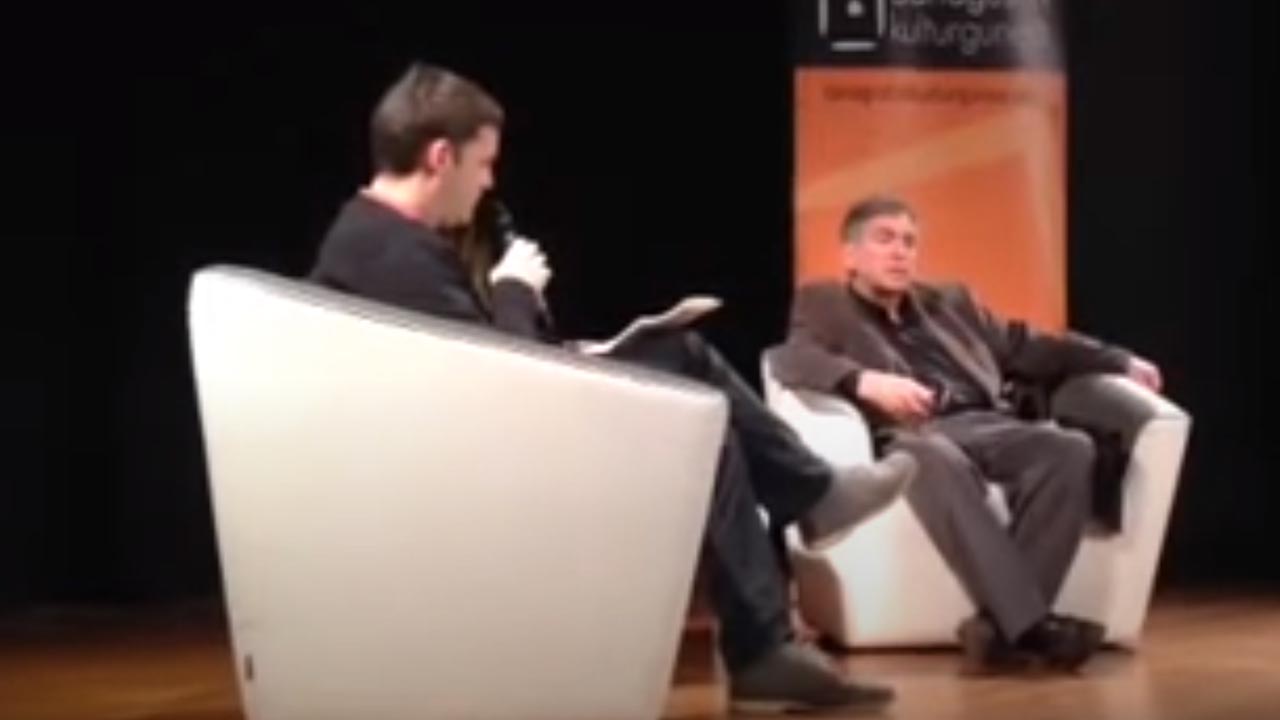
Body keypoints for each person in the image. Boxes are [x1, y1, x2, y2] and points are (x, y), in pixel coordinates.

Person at [306, 62, 917, 714]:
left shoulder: (374, 239)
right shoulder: (393, 253)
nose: (488, 183)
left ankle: (773, 621)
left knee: (694, 397)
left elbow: (477, 370)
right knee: (687, 376)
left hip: (473, 448)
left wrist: (568, 348)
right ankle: (801, 528)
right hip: (478, 470)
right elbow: (500, 389)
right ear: (439, 157)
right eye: (483, 164)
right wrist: (514, 292)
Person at [772, 194, 1165, 674]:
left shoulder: (951, 301)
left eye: (909, 242)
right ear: (851, 255)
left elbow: (1026, 344)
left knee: (1069, 448)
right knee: (931, 457)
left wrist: (1117, 359)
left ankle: (1000, 632)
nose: (899, 252)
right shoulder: (824, 302)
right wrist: (866, 381)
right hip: (913, 432)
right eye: (884, 239)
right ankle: (1030, 627)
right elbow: (789, 359)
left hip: (988, 423)